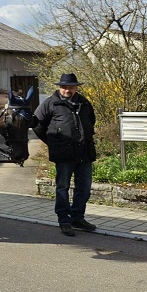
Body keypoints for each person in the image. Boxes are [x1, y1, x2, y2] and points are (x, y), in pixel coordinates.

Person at [33, 73, 97, 237]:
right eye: (64, 87)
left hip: (84, 153)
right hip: (63, 154)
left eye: (71, 87)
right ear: (59, 87)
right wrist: (53, 142)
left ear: (76, 88)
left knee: (84, 188)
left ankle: (78, 218)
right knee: (62, 188)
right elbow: (37, 125)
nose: (68, 90)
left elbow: (91, 121)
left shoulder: (84, 102)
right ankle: (64, 221)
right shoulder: (50, 103)